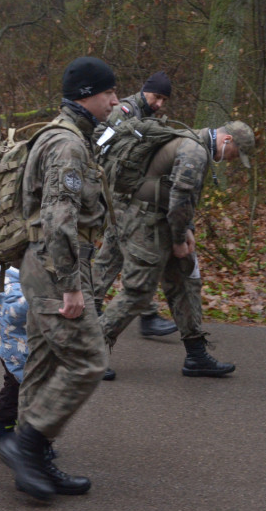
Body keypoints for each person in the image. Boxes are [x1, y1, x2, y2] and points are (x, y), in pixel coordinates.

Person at [0, 56, 117, 501]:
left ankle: (35, 464)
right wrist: (70, 284)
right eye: (109, 93)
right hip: (55, 264)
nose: (115, 101)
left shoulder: (64, 135)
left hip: (43, 261)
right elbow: (58, 218)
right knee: (89, 360)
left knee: (44, 363)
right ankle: (26, 446)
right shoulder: (67, 145)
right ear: (87, 95)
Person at [98, 121, 254, 378]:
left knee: (183, 282)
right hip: (146, 223)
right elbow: (180, 196)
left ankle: (196, 355)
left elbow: (180, 197)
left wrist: (186, 229)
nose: (231, 160)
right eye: (235, 154)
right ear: (227, 140)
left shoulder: (195, 142)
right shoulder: (195, 151)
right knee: (139, 290)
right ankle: (87, 352)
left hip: (162, 220)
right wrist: (180, 238)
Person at [92, 71, 178, 341]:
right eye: (157, 97)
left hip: (125, 191)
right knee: (138, 251)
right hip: (116, 190)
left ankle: (94, 305)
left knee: (115, 251)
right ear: (146, 91)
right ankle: (146, 314)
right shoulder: (126, 110)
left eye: (164, 99)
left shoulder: (146, 114)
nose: (160, 104)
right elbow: (105, 142)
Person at [0, 264, 26, 449]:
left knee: (30, 391)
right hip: (16, 351)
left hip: (25, 345)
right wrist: (41, 297)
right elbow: (14, 312)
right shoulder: (11, 282)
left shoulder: (18, 277)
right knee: (14, 390)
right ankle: (2, 431)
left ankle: (32, 438)